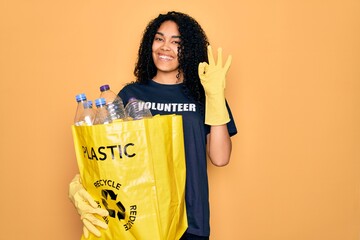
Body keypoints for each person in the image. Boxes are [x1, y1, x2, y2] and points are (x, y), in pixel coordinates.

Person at [69, 11, 237, 240]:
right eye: (159, 39)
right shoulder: (129, 95)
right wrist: (79, 185)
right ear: (150, 43)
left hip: (191, 221)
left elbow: (220, 158)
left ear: (189, 50)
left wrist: (216, 97)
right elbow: (111, 158)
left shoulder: (205, 94)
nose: (165, 47)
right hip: (140, 221)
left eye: (176, 42)